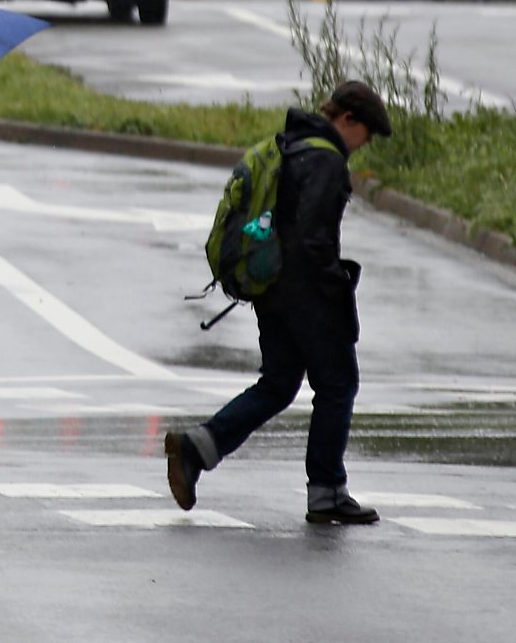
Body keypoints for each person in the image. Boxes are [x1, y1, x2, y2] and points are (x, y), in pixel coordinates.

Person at [166, 79, 393, 526]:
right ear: (346, 120)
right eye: (362, 137)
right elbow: (313, 240)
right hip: (306, 293)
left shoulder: (287, 145)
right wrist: (337, 291)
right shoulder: (326, 161)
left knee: (278, 384)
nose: (359, 148)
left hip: (270, 288)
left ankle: (197, 447)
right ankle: (327, 491)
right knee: (337, 384)